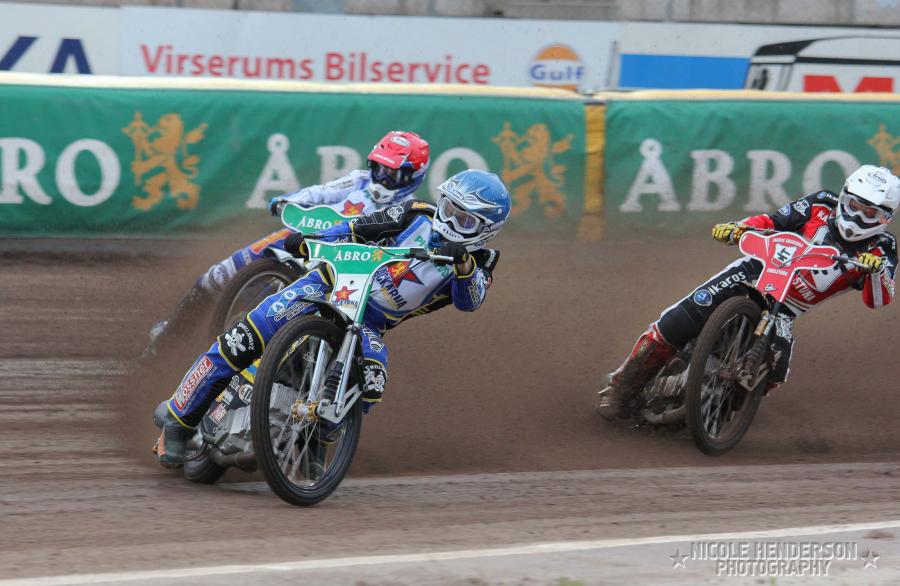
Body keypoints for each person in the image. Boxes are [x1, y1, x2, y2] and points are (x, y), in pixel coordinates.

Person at [155, 169, 510, 467]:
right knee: (245, 337)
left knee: (372, 379)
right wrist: (310, 239)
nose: (449, 220)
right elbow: (358, 227)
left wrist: (463, 265)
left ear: (485, 229)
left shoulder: (480, 264)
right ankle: (178, 420)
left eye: (463, 218)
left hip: (369, 323)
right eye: (448, 208)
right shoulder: (415, 213)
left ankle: (313, 445)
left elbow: (470, 300)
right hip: (329, 283)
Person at [596, 164, 900, 419]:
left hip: (788, 308)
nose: (857, 217)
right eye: (853, 206)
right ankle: (621, 387)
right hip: (755, 272)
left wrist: (875, 271)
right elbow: (773, 221)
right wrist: (738, 227)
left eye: (869, 213)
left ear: (886, 218)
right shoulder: (821, 202)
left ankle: (717, 409)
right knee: (678, 319)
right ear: (844, 197)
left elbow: (879, 299)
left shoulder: (884, 248)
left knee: (776, 368)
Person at [142, 130, 430, 359]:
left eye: (393, 174)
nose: (382, 178)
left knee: (314, 333)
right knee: (216, 276)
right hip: (301, 236)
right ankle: (167, 341)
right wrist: (289, 201)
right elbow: (319, 193)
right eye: (379, 168)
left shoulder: (409, 212)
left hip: (338, 269)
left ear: (412, 177)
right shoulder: (358, 181)